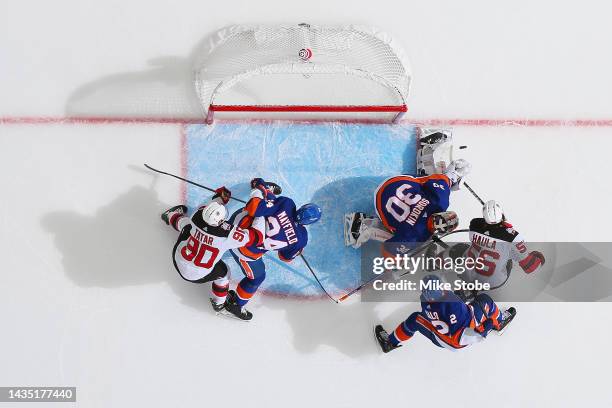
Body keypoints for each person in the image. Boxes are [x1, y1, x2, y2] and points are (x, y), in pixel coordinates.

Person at [160, 186, 265, 320]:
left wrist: (220, 198)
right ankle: (219, 305)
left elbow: (209, 208)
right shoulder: (228, 234)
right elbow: (256, 236)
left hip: (178, 259)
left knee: (187, 226)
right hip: (197, 275)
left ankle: (171, 216)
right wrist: (259, 213)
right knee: (224, 273)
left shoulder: (198, 215)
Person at [228, 178, 321, 315]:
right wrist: (296, 247)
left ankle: (263, 188)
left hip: (236, 222)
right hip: (243, 249)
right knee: (257, 278)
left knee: (267, 207)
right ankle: (236, 305)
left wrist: (260, 187)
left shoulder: (287, 203)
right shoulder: (301, 239)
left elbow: (260, 208)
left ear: (301, 208)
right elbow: (284, 257)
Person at [344, 159, 471, 249]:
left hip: (390, 184)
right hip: (380, 206)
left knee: (434, 182)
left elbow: (443, 180)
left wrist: (451, 176)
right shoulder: (417, 237)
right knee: (406, 245)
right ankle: (364, 226)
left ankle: (431, 165)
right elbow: (388, 250)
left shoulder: (441, 201)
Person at [375, 275, 515, 353]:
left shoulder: (425, 300)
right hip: (460, 338)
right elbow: (468, 336)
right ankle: (500, 322)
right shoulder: (451, 303)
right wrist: (487, 327)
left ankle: (390, 342)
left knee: (415, 319)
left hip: (439, 339)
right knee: (485, 301)